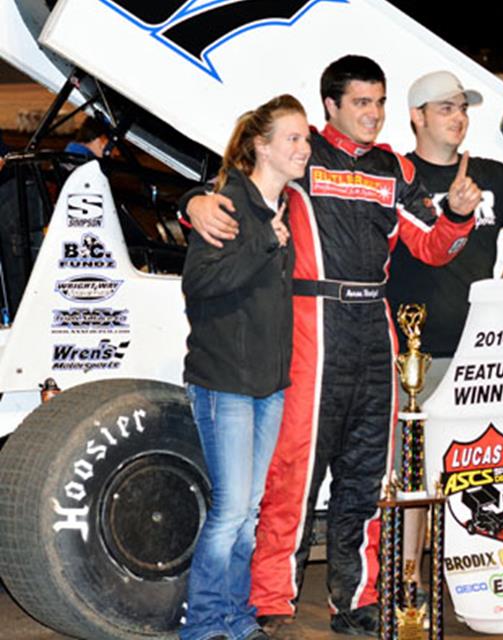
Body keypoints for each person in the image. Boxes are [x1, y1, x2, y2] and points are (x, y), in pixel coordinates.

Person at [184, 56, 478, 637]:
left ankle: (359, 597)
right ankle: (270, 598)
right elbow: (236, 180)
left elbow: (430, 246)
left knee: (369, 473)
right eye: (361, 102)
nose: (373, 113)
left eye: (380, 101)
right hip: (310, 322)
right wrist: (191, 201)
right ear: (332, 106)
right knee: (293, 472)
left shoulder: (394, 168)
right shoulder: (302, 152)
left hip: (375, 322)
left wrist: (460, 218)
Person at [179, 94, 307, 640]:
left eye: (305, 139)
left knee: (249, 512)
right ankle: (205, 624)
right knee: (231, 511)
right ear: (262, 146)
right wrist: (259, 246)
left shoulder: (282, 208)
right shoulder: (228, 203)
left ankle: (235, 618)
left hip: (268, 386)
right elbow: (199, 284)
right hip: (225, 384)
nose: (304, 148)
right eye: (293, 139)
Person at [387, 70, 503, 395]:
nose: (459, 117)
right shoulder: (396, 178)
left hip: (479, 353)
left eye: (462, 109)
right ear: (417, 116)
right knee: (410, 447)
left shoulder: (492, 176)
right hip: (409, 356)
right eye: (446, 108)